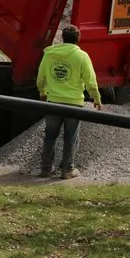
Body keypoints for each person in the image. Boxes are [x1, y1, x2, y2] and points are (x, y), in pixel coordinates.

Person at [36, 24, 102, 179]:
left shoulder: (49, 54)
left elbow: (40, 78)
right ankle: (67, 170)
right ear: (78, 39)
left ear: (63, 38)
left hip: (53, 102)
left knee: (50, 136)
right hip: (74, 104)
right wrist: (96, 98)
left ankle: (45, 168)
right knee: (71, 136)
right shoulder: (82, 56)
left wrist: (43, 92)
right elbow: (90, 81)